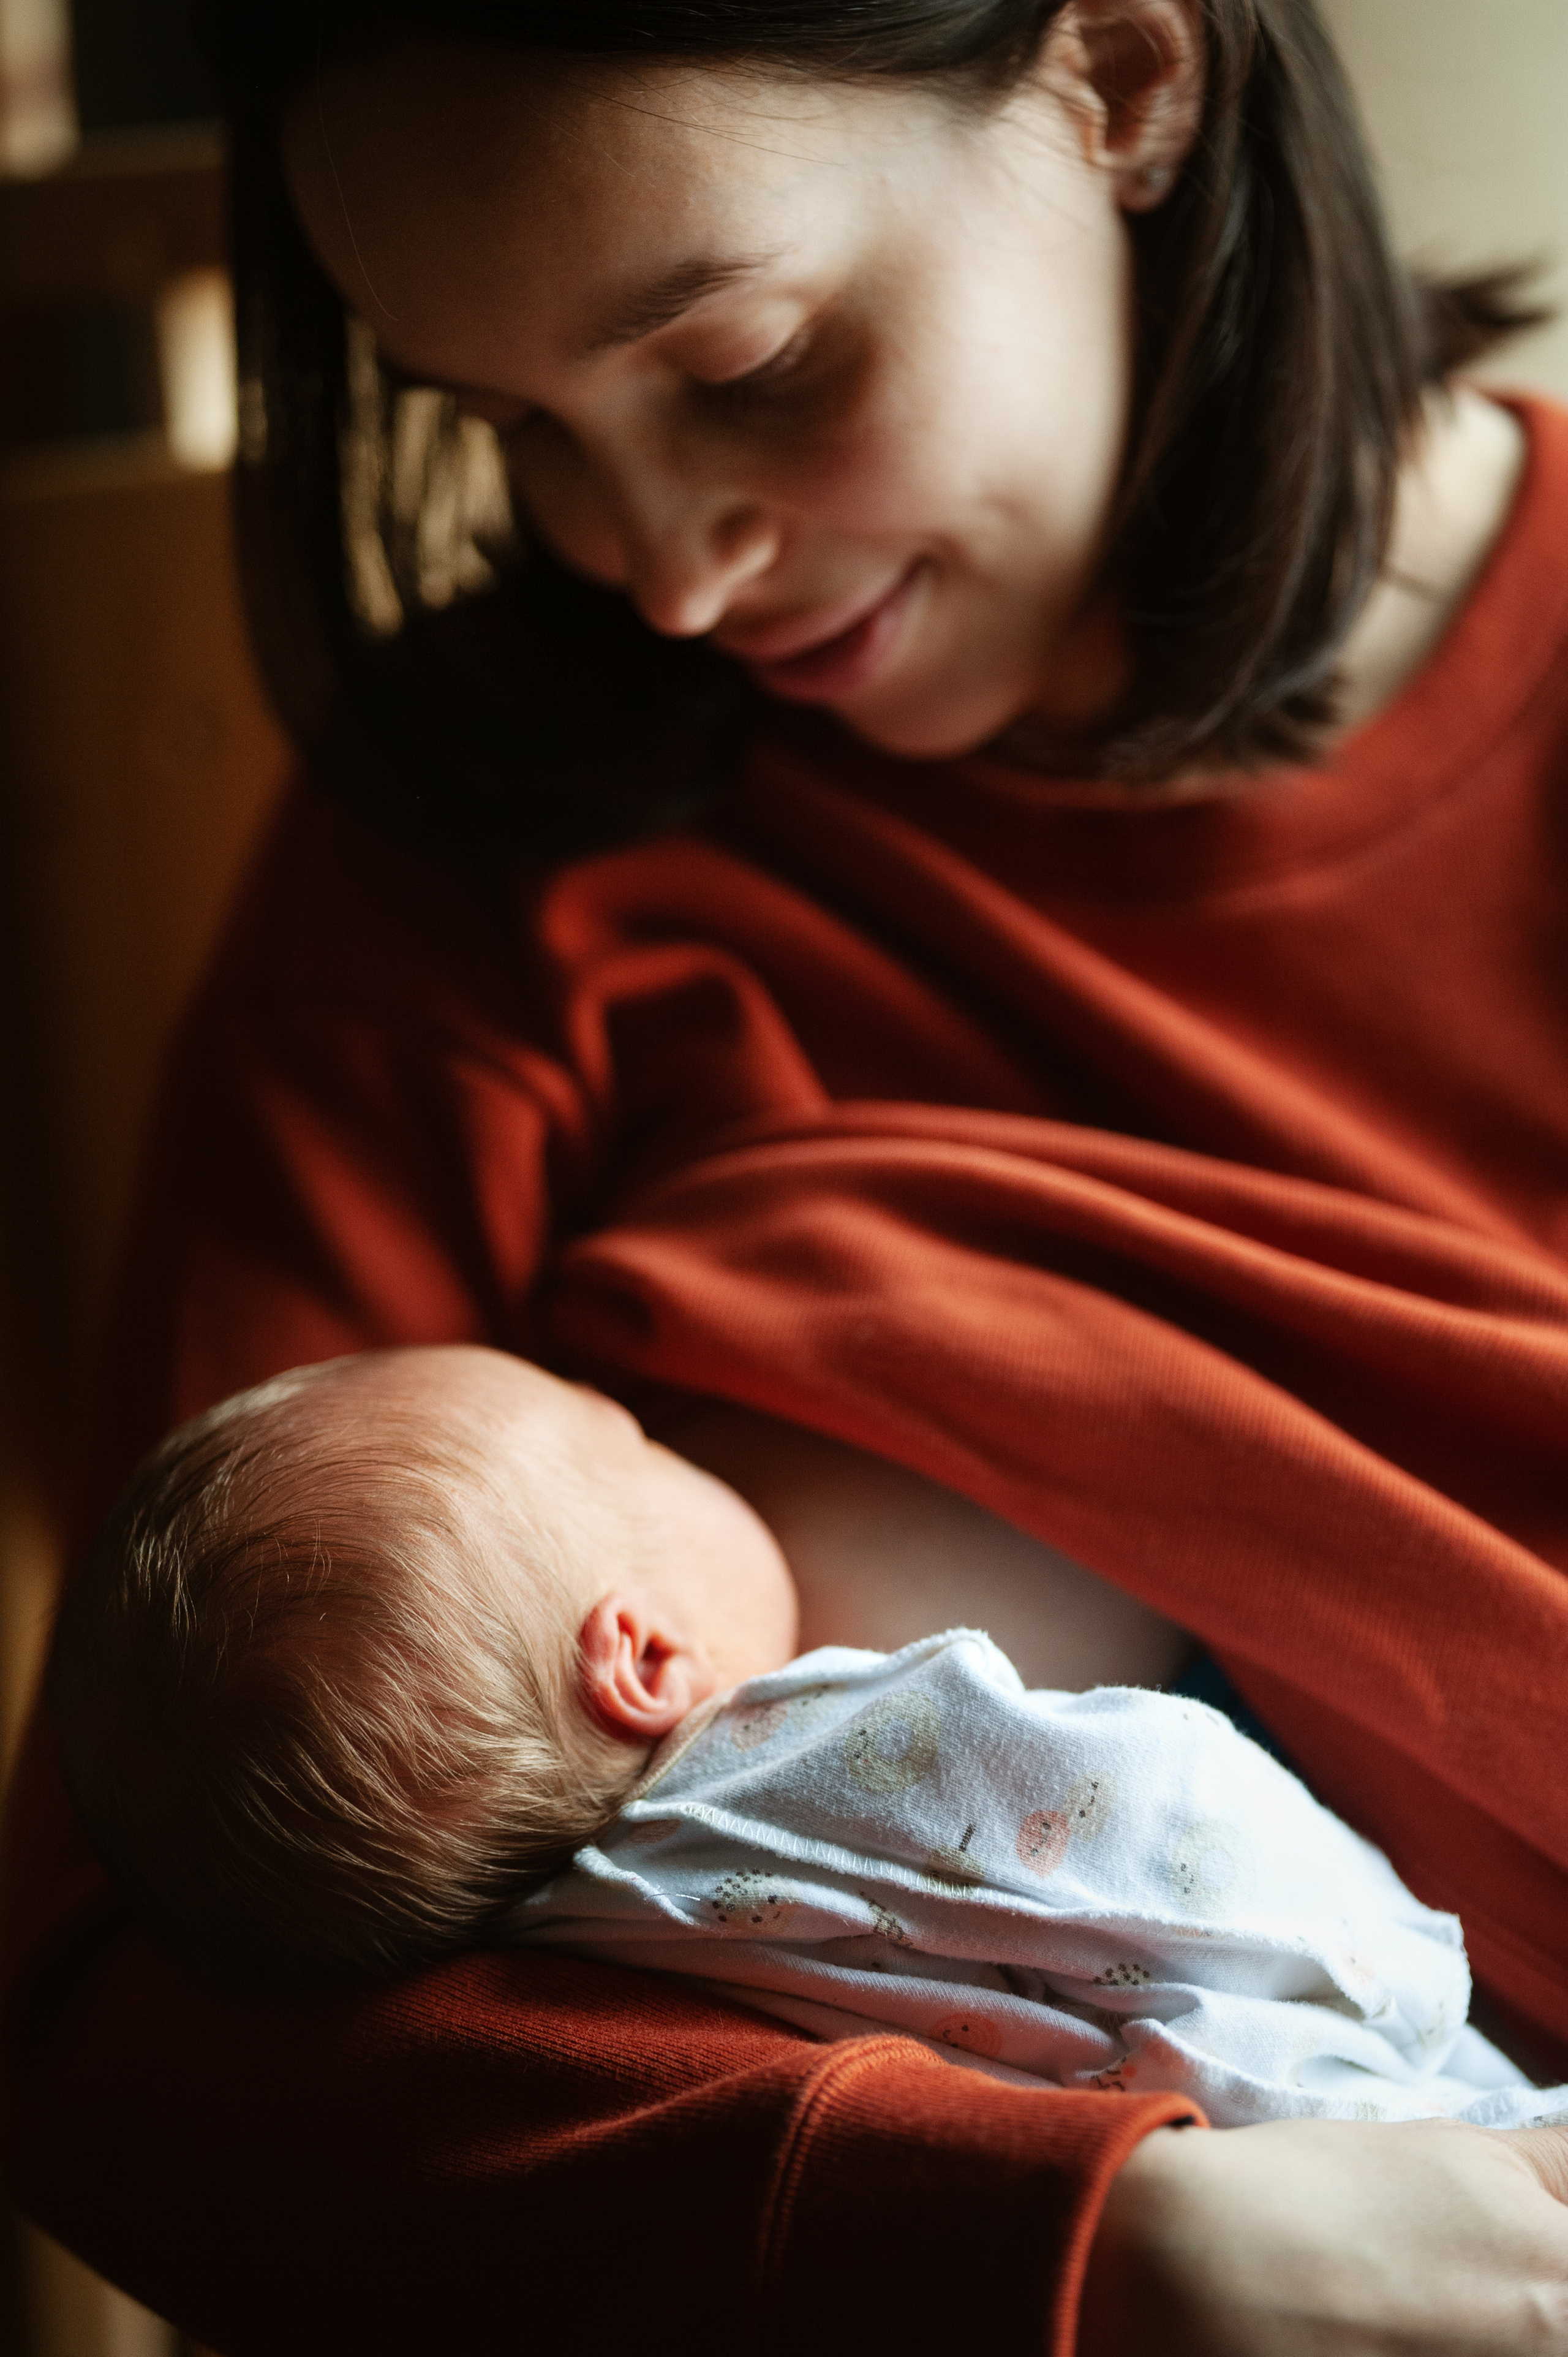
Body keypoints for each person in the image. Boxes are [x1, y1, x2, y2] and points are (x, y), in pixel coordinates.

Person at [4, 0, 1568, 2350]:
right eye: (514, 423)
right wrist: (1107, 2243)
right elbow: (135, 1998)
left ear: (1128, 75)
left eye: (741, 363)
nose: (657, 566)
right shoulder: (495, 866)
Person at [43, 1344, 1568, 2140]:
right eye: (638, 1444)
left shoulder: (590, 1942)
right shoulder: (842, 1745)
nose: (674, 1447)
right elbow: (1170, 1817)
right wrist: (1410, 1956)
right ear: (637, 1653)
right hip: (1313, 2083)